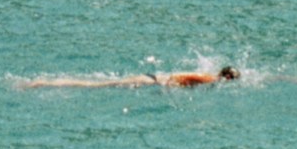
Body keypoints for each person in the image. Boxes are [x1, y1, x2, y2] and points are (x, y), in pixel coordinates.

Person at [17, 64, 239, 89]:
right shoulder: (210, 79)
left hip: (151, 80)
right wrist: (170, 86)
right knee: (93, 85)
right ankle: (42, 83)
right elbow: (179, 77)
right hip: (151, 81)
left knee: (97, 84)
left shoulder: (210, 77)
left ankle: (43, 83)